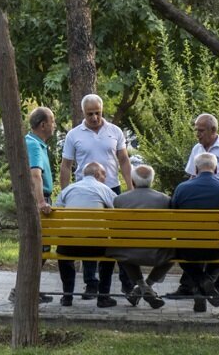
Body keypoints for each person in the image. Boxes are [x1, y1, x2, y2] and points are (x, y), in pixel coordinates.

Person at [59, 94, 134, 298]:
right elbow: (66, 166)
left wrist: (131, 187)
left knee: (118, 237)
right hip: (84, 191)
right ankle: (91, 283)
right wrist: (65, 193)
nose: (94, 117)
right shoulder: (74, 135)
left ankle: (126, 282)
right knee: (88, 233)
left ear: (102, 110)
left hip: (112, 188)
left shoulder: (114, 131)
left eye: (97, 113)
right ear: (83, 113)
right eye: (90, 114)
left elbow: (124, 160)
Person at [169, 113, 219, 298]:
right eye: (196, 130)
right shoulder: (197, 148)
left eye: (201, 130)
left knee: (216, 247)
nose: (197, 134)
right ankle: (195, 287)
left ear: (213, 130)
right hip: (198, 207)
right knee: (198, 246)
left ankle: (216, 289)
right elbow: (192, 175)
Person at [171, 152, 219, 312]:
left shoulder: (182, 188)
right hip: (214, 249)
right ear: (216, 169)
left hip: (186, 248)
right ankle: (206, 283)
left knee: (183, 259)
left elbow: (173, 213)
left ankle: (199, 286)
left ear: (195, 169)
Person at [105, 165, 174, 309]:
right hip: (156, 254)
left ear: (133, 181)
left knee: (120, 249)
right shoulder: (165, 200)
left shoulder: (119, 200)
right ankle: (146, 286)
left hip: (129, 253)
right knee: (174, 253)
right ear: (151, 181)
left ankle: (141, 287)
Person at [8, 107, 56, 304]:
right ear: (43, 125)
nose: (54, 125)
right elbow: (35, 174)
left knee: (39, 247)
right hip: (39, 198)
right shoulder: (34, 145)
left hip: (40, 197)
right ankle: (21, 290)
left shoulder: (36, 143)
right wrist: (41, 202)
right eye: (52, 121)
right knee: (38, 246)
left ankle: (28, 288)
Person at [55, 162, 118, 308]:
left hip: (68, 247)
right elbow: (117, 210)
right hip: (95, 247)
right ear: (97, 174)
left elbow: (58, 210)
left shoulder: (69, 189)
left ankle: (67, 296)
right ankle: (103, 297)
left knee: (63, 253)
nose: (105, 178)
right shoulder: (104, 189)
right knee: (110, 255)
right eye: (104, 175)